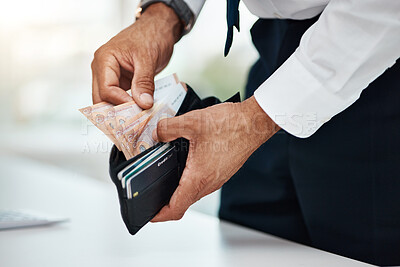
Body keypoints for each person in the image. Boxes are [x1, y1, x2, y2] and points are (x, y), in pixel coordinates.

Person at [91, 0, 400, 265]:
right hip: (271, 63)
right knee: (246, 243)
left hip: (373, 72)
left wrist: (255, 120)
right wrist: (165, 13)